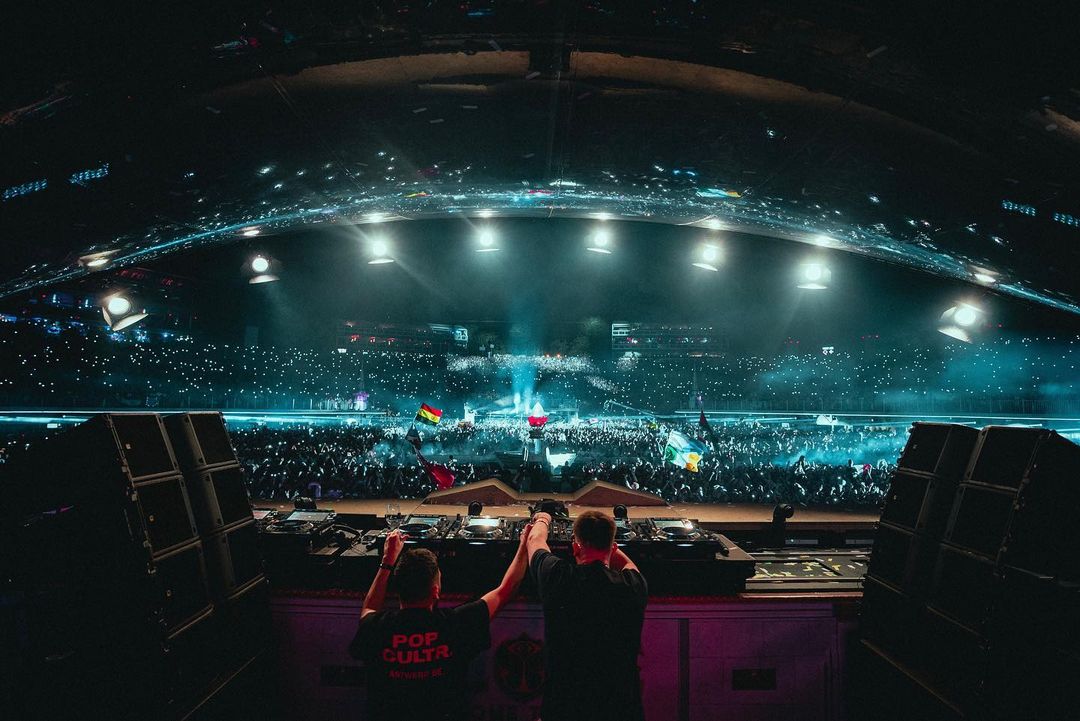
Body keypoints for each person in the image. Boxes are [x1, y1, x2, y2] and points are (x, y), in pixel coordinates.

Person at [349, 523, 533, 721]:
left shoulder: (376, 628)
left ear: (398, 588)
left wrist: (387, 561)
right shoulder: (456, 624)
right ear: (436, 590)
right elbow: (506, 589)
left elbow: (369, 609)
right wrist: (524, 544)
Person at [526, 510, 648, 721]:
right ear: (613, 547)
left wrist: (543, 518)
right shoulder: (633, 585)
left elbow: (534, 540)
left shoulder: (558, 576)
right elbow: (628, 565)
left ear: (575, 547)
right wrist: (608, 546)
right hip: (621, 709)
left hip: (564, 708)